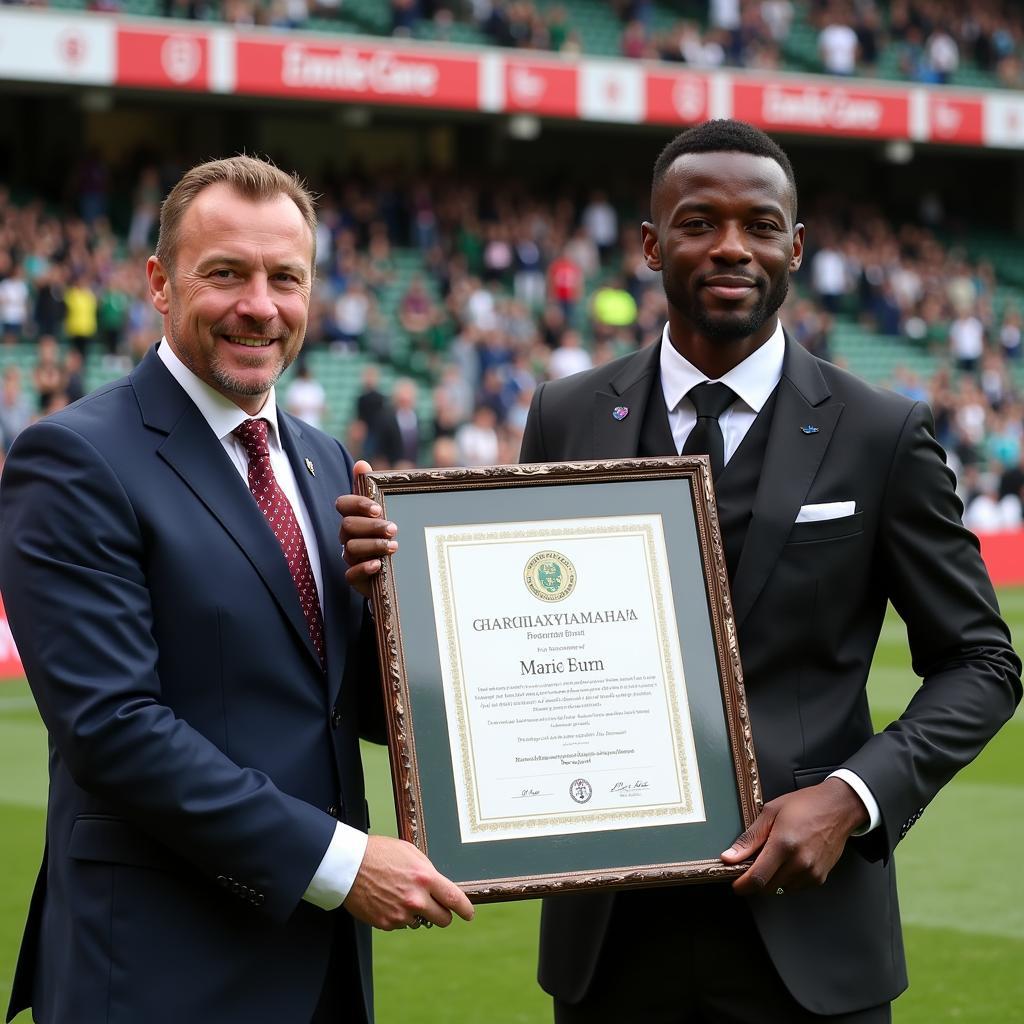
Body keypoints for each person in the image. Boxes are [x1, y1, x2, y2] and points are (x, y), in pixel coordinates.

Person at [341, 120, 1021, 1021]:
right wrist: (392, 600)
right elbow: (500, 648)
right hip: (609, 937)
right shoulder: (567, 413)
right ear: (654, 245)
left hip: (809, 940)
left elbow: (982, 663)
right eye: (700, 222)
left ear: (797, 246)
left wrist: (853, 798)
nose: (732, 246)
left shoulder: (879, 432)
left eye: (762, 224)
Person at [0, 155, 472, 1024]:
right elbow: (112, 726)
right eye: (226, 273)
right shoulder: (74, 458)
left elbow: (343, 704)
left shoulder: (326, 461)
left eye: (284, 278)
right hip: (158, 966)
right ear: (160, 283)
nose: (260, 304)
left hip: (321, 967)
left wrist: (389, 611)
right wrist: (341, 863)